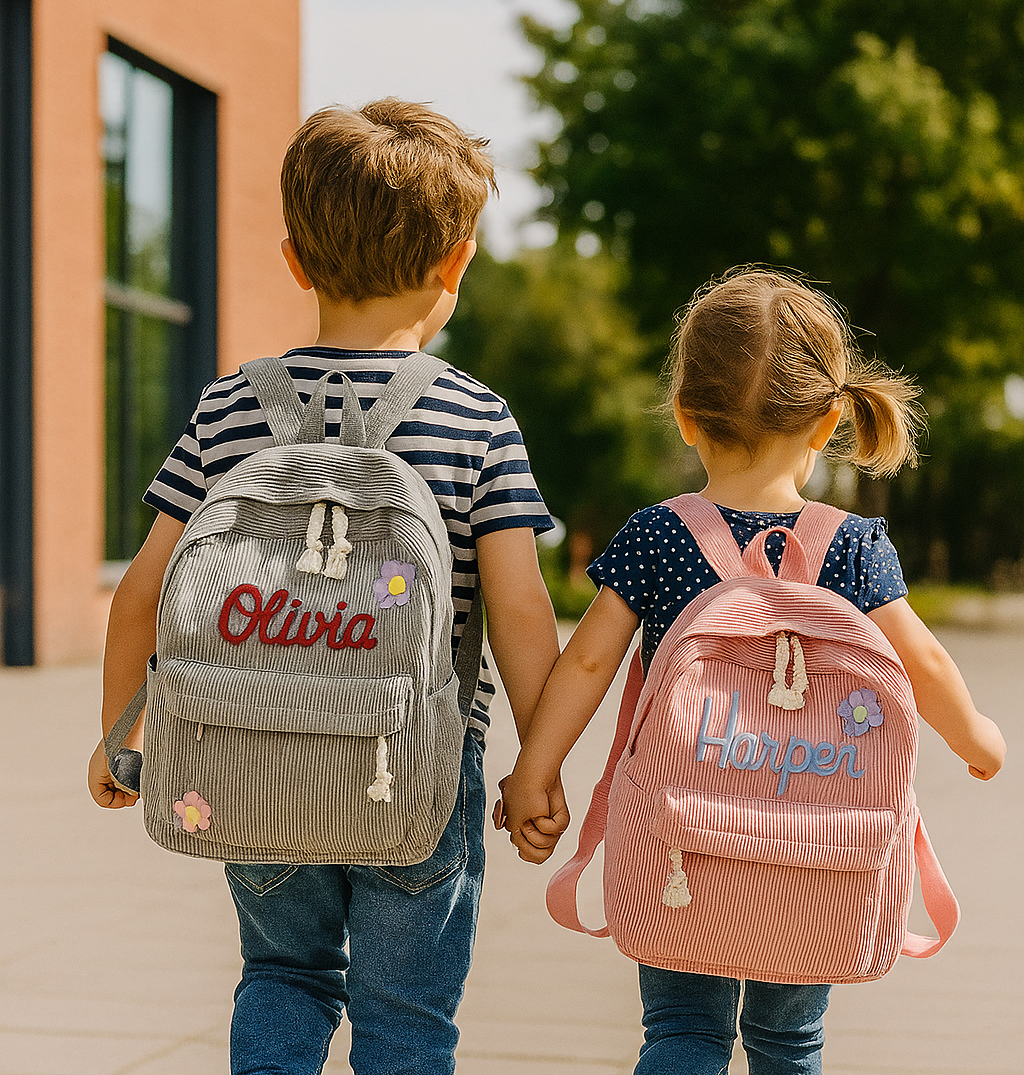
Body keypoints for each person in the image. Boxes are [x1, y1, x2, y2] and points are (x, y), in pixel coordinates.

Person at [88, 98, 561, 1075]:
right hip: (420, 765)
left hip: (250, 755)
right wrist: (537, 765)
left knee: (283, 973)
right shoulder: (476, 418)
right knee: (407, 1018)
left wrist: (120, 733)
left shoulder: (229, 406)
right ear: (457, 262)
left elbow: (142, 591)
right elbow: (521, 609)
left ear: (295, 259)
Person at [498, 268, 1006, 1075]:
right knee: (789, 1042)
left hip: (683, 849)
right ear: (829, 421)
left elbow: (588, 660)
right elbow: (925, 661)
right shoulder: (853, 547)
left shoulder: (658, 536)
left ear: (684, 414)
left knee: (682, 1032)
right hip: (818, 855)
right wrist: (976, 737)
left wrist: (535, 766)